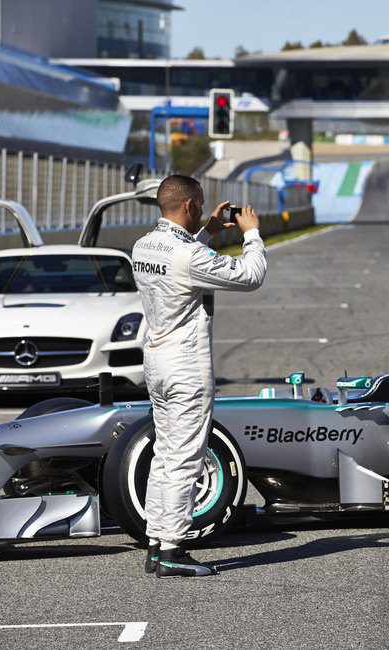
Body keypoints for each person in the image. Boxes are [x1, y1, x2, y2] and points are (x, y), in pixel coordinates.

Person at [132, 175, 267, 577]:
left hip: (155, 362)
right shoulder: (187, 255)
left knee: (164, 454)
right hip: (186, 367)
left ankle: (156, 543)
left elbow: (181, 261)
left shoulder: (143, 246)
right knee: (186, 458)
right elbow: (250, 275)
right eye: (201, 206)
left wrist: (206, 231)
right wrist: (252, 233)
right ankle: (172, 551)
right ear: (188, 205)